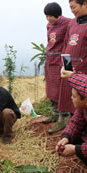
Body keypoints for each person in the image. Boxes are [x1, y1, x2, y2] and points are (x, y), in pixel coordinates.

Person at [58, 0, 87, 133]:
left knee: (83, 100)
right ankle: (72, 130)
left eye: (74, 7)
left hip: (84, 70)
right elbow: (66, 46)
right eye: (70, 8)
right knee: (71, 99)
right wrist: (64, 65)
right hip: (70, 68)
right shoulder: (71, 23)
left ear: (85, 4)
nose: (72, 10)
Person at [42, 2, 71, 134]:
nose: (48, 19)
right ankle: (54, 113)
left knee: (62, 89)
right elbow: (50, 42)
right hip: (51, 59)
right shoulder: (49, 25)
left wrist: (67, 62)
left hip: (62, 59)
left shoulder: (68, 23)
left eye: (50, 16)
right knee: (51, 88)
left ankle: (62, 118)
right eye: (47, 16)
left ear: (58, 14)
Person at [56, 71, 87, 165]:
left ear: (86, 101)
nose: (71, 98)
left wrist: (76, 149)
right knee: (75, 138)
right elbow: (75, 123)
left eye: (74, 96)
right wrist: (66, 138)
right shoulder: (83, 108)